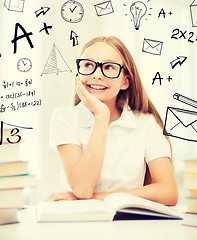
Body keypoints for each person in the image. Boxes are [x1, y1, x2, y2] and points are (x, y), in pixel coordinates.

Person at [47, 36, 178, 205]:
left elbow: (168, 192)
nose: (96, 75)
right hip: (79, 223)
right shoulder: (65, 118)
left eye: (108, 67)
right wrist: (101, 116)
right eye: (88, 65)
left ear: (125, 81)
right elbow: (82, 188)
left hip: (129, 222)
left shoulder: (145, 123)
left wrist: (97, 198)